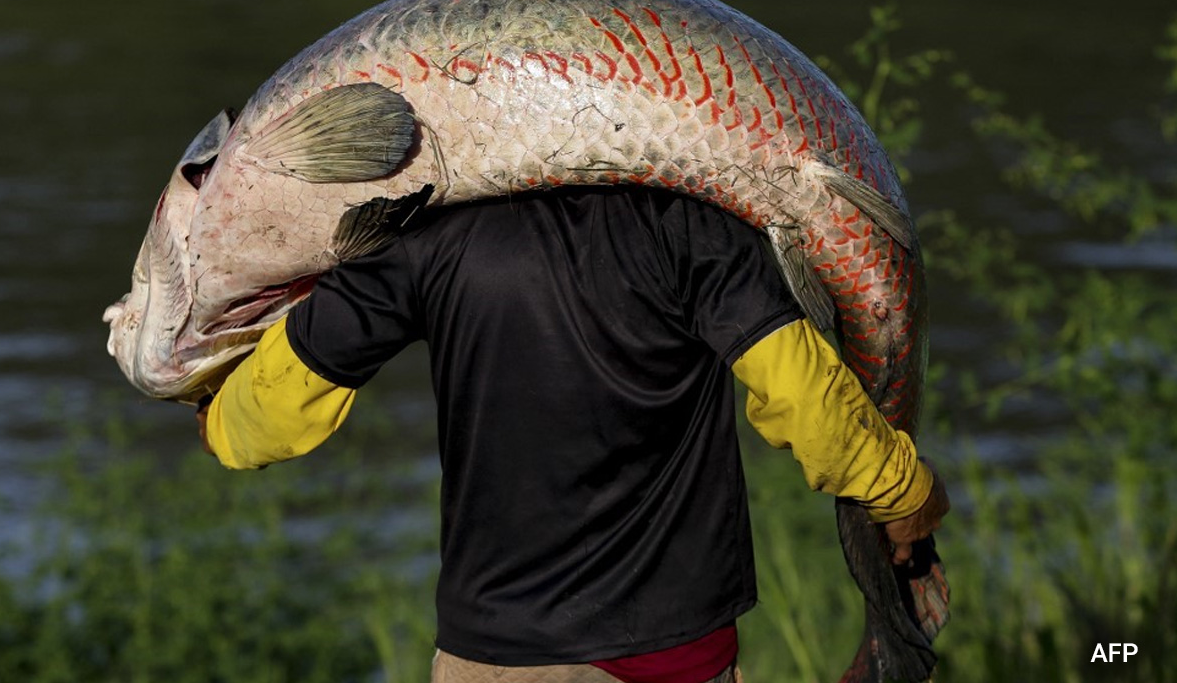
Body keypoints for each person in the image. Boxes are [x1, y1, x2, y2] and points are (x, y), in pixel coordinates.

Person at [196, 186, 948, 683]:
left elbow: (258, 426)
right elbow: (807, 401)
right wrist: (904, 492)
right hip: (672, 652)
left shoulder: (422, 236)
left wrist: (216, 416)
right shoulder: (695, 227)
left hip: (493, 658)